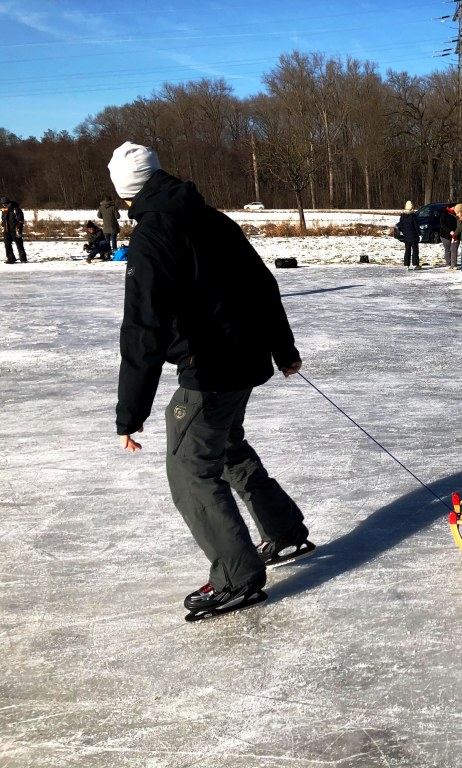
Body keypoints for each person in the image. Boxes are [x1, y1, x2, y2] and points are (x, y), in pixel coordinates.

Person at [108, 140, 312, 618]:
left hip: (212, 369)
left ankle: (237, 576)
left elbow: (143, 327)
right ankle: (282, 529)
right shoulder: (212, 217)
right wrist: (282, 349)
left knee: (190, 468)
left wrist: (129, 413)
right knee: (224, 448)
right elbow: (263, 285)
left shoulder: (153, 234)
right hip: (244, 362)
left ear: (126, 190)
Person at [1, 196, 28, 263]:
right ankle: (11, 258)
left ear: (9, 203)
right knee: (7, 245)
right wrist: (2, 228)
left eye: (5, 204)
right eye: (3, 204)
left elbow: (20, 220)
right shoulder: (4, 210)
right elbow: (3, 220)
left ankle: (23, 259)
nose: (4, 205)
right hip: (6, 230)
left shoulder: (16, 209)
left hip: (15, 230)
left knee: (19, 244)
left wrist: (19, 230)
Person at [397, 201, 421, 270]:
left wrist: (403, 232)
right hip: (414, 236)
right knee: (415, 251)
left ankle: (406, 264)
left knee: (407, 250)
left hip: (406, 237)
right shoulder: (413, 216)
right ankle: (415, 264)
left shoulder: (402, 216)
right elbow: (416, 226)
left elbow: (401, 226)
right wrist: (419, 234)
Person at [439, 203, 459, 269]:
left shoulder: (457, 213)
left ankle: (454, 264)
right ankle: (448, 263)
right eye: (454, 207)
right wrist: (449, 231)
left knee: (454, 249)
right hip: (445, 235)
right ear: (451, 207)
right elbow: (442, 224)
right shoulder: (444, 213)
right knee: (448, 249)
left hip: (455, 234)